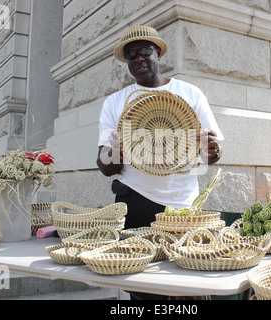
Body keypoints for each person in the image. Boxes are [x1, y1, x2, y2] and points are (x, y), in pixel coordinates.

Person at [96, 25, 224, 301]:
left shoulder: (190, 94)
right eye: (131, 55)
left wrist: (211, 150)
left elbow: (210, 156)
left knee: (193, 288)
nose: (138, 58)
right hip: (136, 204)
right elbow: (106, 166)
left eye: (144, 51)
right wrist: (116, 149)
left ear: (158, 53)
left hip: (183, 208)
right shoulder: (115, 103)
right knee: (144, 290)